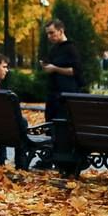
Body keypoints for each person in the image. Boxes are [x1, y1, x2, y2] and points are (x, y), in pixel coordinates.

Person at [34, 19, 84, 169]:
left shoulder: (71, 49)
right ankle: (50, 157)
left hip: (66, 93)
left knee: (63, 126)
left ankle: (64, 159)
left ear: (61, 31)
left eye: (52, 33)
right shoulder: (55, 49)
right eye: (48, 34)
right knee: (51, 124)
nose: (49, 36)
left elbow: (75, 71)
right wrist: (46, 65)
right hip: (53, 92)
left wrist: (54, 68)